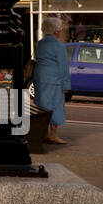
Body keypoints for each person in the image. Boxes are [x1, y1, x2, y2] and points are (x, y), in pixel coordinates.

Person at [33, 16, 72, 144]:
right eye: (60, 29)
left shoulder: (40, 43)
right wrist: (66, 84)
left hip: (39, 77)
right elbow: (63, 66)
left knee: (42, 106)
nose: (61, 31)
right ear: (56, 30)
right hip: (54, 79)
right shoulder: (58, 45)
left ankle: (43, 133)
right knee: (55, 106)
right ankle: (53, 134)